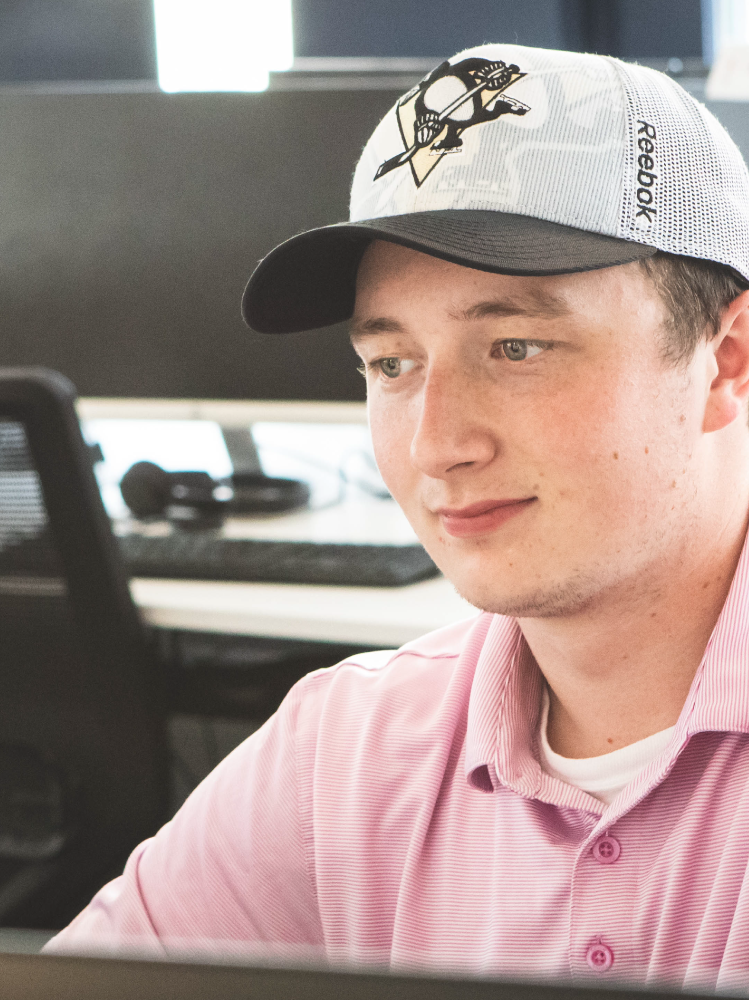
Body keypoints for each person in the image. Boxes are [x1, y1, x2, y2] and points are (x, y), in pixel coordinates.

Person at [45, 42, 749, 990]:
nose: (433, 444)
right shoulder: (348, 749)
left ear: (727, 359)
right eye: (391, 364)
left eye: (516, 346)